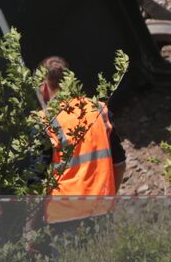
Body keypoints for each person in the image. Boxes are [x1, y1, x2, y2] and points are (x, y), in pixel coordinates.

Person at [36, 55, 125, 234]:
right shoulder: (98, 109)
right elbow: (120, 164)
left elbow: (35, 181)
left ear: (44, 87)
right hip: (101, 210)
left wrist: (31, 225)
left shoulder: (44, 122)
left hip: (63, 218)